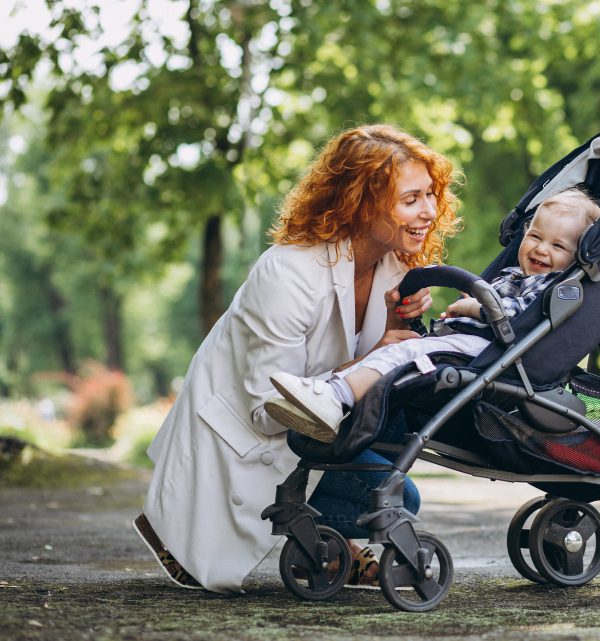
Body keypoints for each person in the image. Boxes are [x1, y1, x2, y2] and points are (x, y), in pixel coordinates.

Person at [133, 124, 460, 593]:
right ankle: (184, 527)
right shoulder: (288, 273)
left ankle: (329, 549)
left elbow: (363, 371)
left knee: (400, 452)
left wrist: (390, 330)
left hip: (312, 427)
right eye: (411, 200)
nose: (429, 211)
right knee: (396, 496)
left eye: (431, 194)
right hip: (246, 439)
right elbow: (269, 410)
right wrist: (383, 353)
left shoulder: (395, 265)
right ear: (360, 202)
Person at [266, 188, 600, 443]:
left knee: (405, 352)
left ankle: (335, 397)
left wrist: (474, 306)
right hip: (469, 343)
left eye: (558, 247)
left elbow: (513, 315)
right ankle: (328, 395)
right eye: (535, 237)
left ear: (576, 258)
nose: (541, 249)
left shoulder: (553, 286)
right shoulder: (515, 274)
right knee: (401, 350)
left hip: (491, 352)